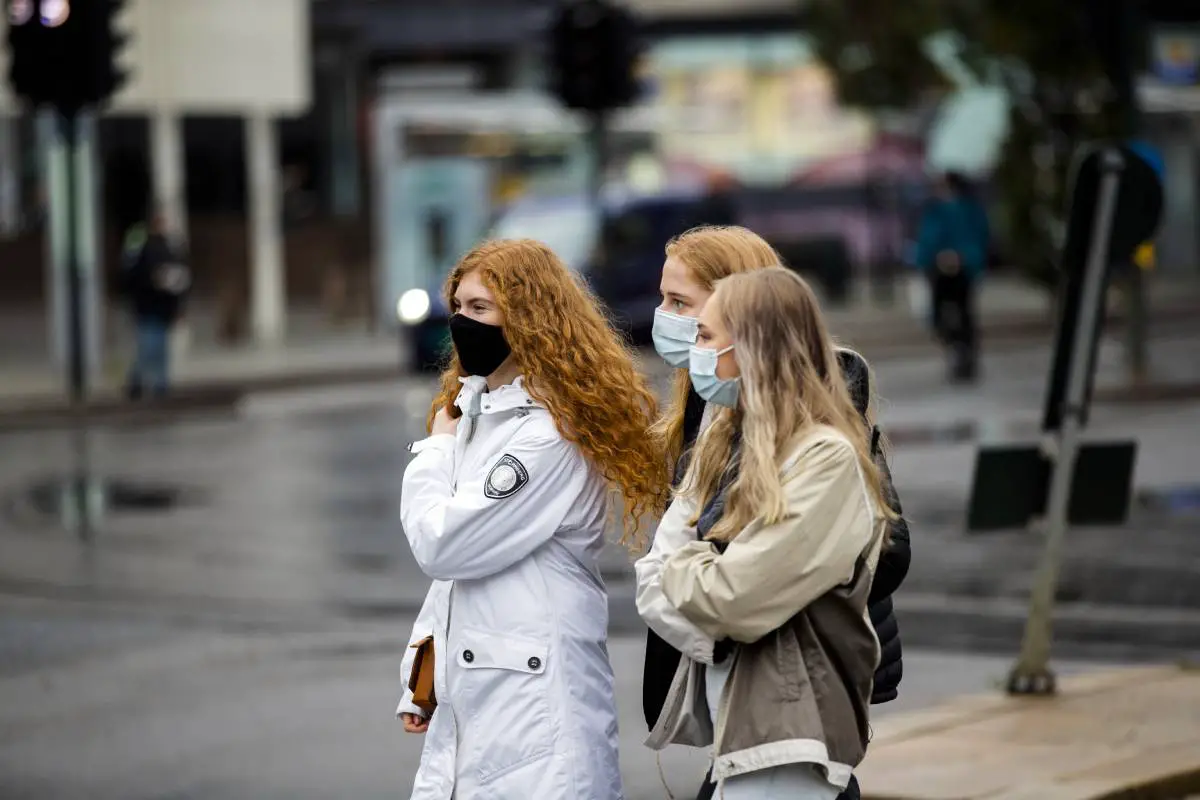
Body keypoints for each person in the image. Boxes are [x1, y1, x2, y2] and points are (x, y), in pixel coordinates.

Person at [638, 226, 911, 800]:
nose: (666, 319)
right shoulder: (720, 416)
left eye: (684, 308)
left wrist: (690, 576)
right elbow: (673, 571)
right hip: (738, 712)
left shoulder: (823, 443)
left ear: (750, 331)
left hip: (788, 714)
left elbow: (733, 593)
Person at [395, 239, 669, 800]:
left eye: (480, 309)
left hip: (535, 721)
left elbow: (444, 544)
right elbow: (457, 580)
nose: (462, 323)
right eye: (459, 307)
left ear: (528, 320)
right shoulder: (479, 410)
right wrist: (422, 671)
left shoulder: (549, 435)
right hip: (487, 704)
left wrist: (434, 452)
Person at [913, 171, 990, 382]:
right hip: (939, 271)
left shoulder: (967, 209)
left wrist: (961, 257)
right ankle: (956, 347)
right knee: (941, 315)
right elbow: (927, 240)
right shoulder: (936, 210)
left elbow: (977, 238)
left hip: (962, 270)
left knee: (963, 312)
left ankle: (964, 352)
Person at [120, 208, 190, 399]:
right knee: (149, 346)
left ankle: (158, 383)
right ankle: (140, 381)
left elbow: (179, 276)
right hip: (149, 306)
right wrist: (154, 281)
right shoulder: (144, 248)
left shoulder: (169, 248)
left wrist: (177, 304)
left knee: (158, 348)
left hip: (161, 307)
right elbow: (134, 278)